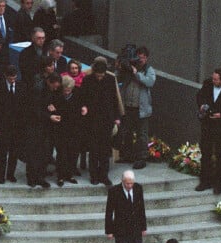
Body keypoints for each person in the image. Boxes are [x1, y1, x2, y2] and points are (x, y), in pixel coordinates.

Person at [80, 57, 121, 185]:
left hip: (106, 119)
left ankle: (104, 175)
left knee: (105, 149)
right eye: (97, 75)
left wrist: (116, 117)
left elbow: (114, 99)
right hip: (92, 119)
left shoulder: (110, 79)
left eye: (101, 75)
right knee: (93, 149)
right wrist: (84, 107)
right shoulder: (87, 80)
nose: (99, 77)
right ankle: (93, 175)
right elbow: (83, 98)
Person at [105, 170, 147, 243]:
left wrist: (143, 227)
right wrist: (109, 230)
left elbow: (141, 208)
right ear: (122, 181)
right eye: (127, 183)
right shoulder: (114, 191)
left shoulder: (138, 188)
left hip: (135, 227)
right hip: (121, 228)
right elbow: (109, 211)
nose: (129, 186)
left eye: (131, 183)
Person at [117, 46, 156, 170]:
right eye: (138, 57)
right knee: (127, 132)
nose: (140, 60)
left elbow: (150, 82)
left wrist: (136, 73)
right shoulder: (128, 68)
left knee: (141, 134)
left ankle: (141, 158)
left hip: (141, 109)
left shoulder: (149, 69)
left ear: (146, 58)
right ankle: (128, 155)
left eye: (143, 58)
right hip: (128, 106)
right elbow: (118, 78)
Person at [50, 75, 83, 186]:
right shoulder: (56, 96)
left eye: (69, 90)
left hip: (74, 129)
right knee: (62, 153)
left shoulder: (77, 96)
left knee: (73, 153)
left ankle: (70, 174)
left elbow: (79, 111)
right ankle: (60, 176)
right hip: (61, 129)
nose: (67, 92)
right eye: (65, 90)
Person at [0, 64, 24, 184]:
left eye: (14, 77)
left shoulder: (21, 87)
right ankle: (1, 175)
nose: (12, 79)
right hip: (4, 125)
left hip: (17, 125)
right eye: (10, 77)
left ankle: (10, 174)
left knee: (14, 151)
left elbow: (23, 107)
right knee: (3, 150)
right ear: (5, 76)